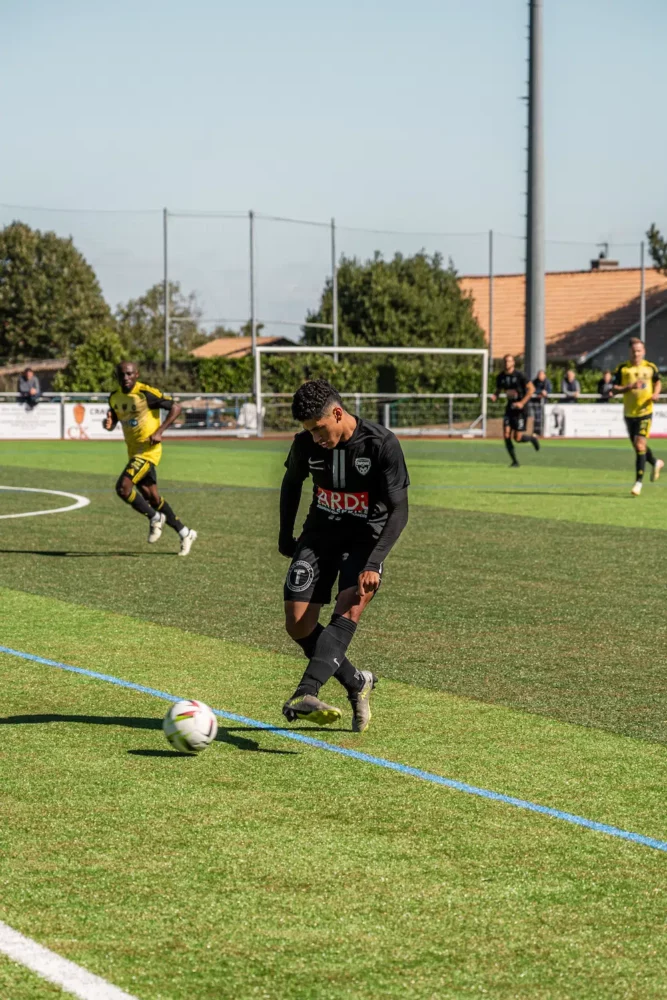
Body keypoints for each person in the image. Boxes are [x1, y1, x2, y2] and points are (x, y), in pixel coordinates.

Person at [279, 379, 409, 732]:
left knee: (350, 605)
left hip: (365, 540)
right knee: (298, 623)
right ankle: (356, 682)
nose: (316, 437)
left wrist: (374, 562)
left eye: (320, 428)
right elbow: (291, 483)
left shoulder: (381, 444)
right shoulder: (305, 443)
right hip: (320, 534)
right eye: (309, 431)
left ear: (338, 413)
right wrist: (285, 533)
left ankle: (306, 692)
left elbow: (399, 510)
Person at [104, 362, 198, 554]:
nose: (126, 378)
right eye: (122, 374)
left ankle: (155, 518)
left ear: (136, 374)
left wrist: (159, 431)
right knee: (152, 497)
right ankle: (185, 532)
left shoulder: (146, 393)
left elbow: (176, 408)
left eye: (130, 374)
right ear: (117, 376)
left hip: (148, 452)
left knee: (123, 488)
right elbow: (113, 420)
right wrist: (108, 423)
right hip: (133, 452)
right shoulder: (114, 398)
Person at [610, 338, 664, 496]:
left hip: (645, 411)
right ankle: (656, 462)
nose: (636, 353)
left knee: (640, 445)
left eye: (639, 350)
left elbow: (658, 382)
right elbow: (614, 389)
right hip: (629, 413)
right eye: (634, 351)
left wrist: (655, 393)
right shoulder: (622, 369)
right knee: (638, 447)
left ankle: (638, 483)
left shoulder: (650, 367)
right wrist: (629, 387)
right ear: (629, 352)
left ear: (644, 351)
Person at [490, 354, 540, 467]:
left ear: (513, 363)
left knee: (517, 438)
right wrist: (495, 396)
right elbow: (499, 389)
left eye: (509, 361)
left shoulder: (520, 375)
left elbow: (532, 389)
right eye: (505, 361)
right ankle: (514, 461)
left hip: (521, 410)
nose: (507, 363)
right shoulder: (501, 376)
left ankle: (532, 438)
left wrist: (522, 403)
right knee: (506, 434)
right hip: (510, 408)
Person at [531, 369, 552, 435]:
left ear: (544, 375)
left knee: (545, 416)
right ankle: (537, 431)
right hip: (536, 402)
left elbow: (549, 390)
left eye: (541, 374)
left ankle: (545, 431)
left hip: (545, 402)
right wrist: (540, 392)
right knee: (537, 417)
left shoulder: (547, 382)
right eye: (539, 375)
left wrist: (545, 392)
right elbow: (532, 389)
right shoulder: (534, 381)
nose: (540, 376)